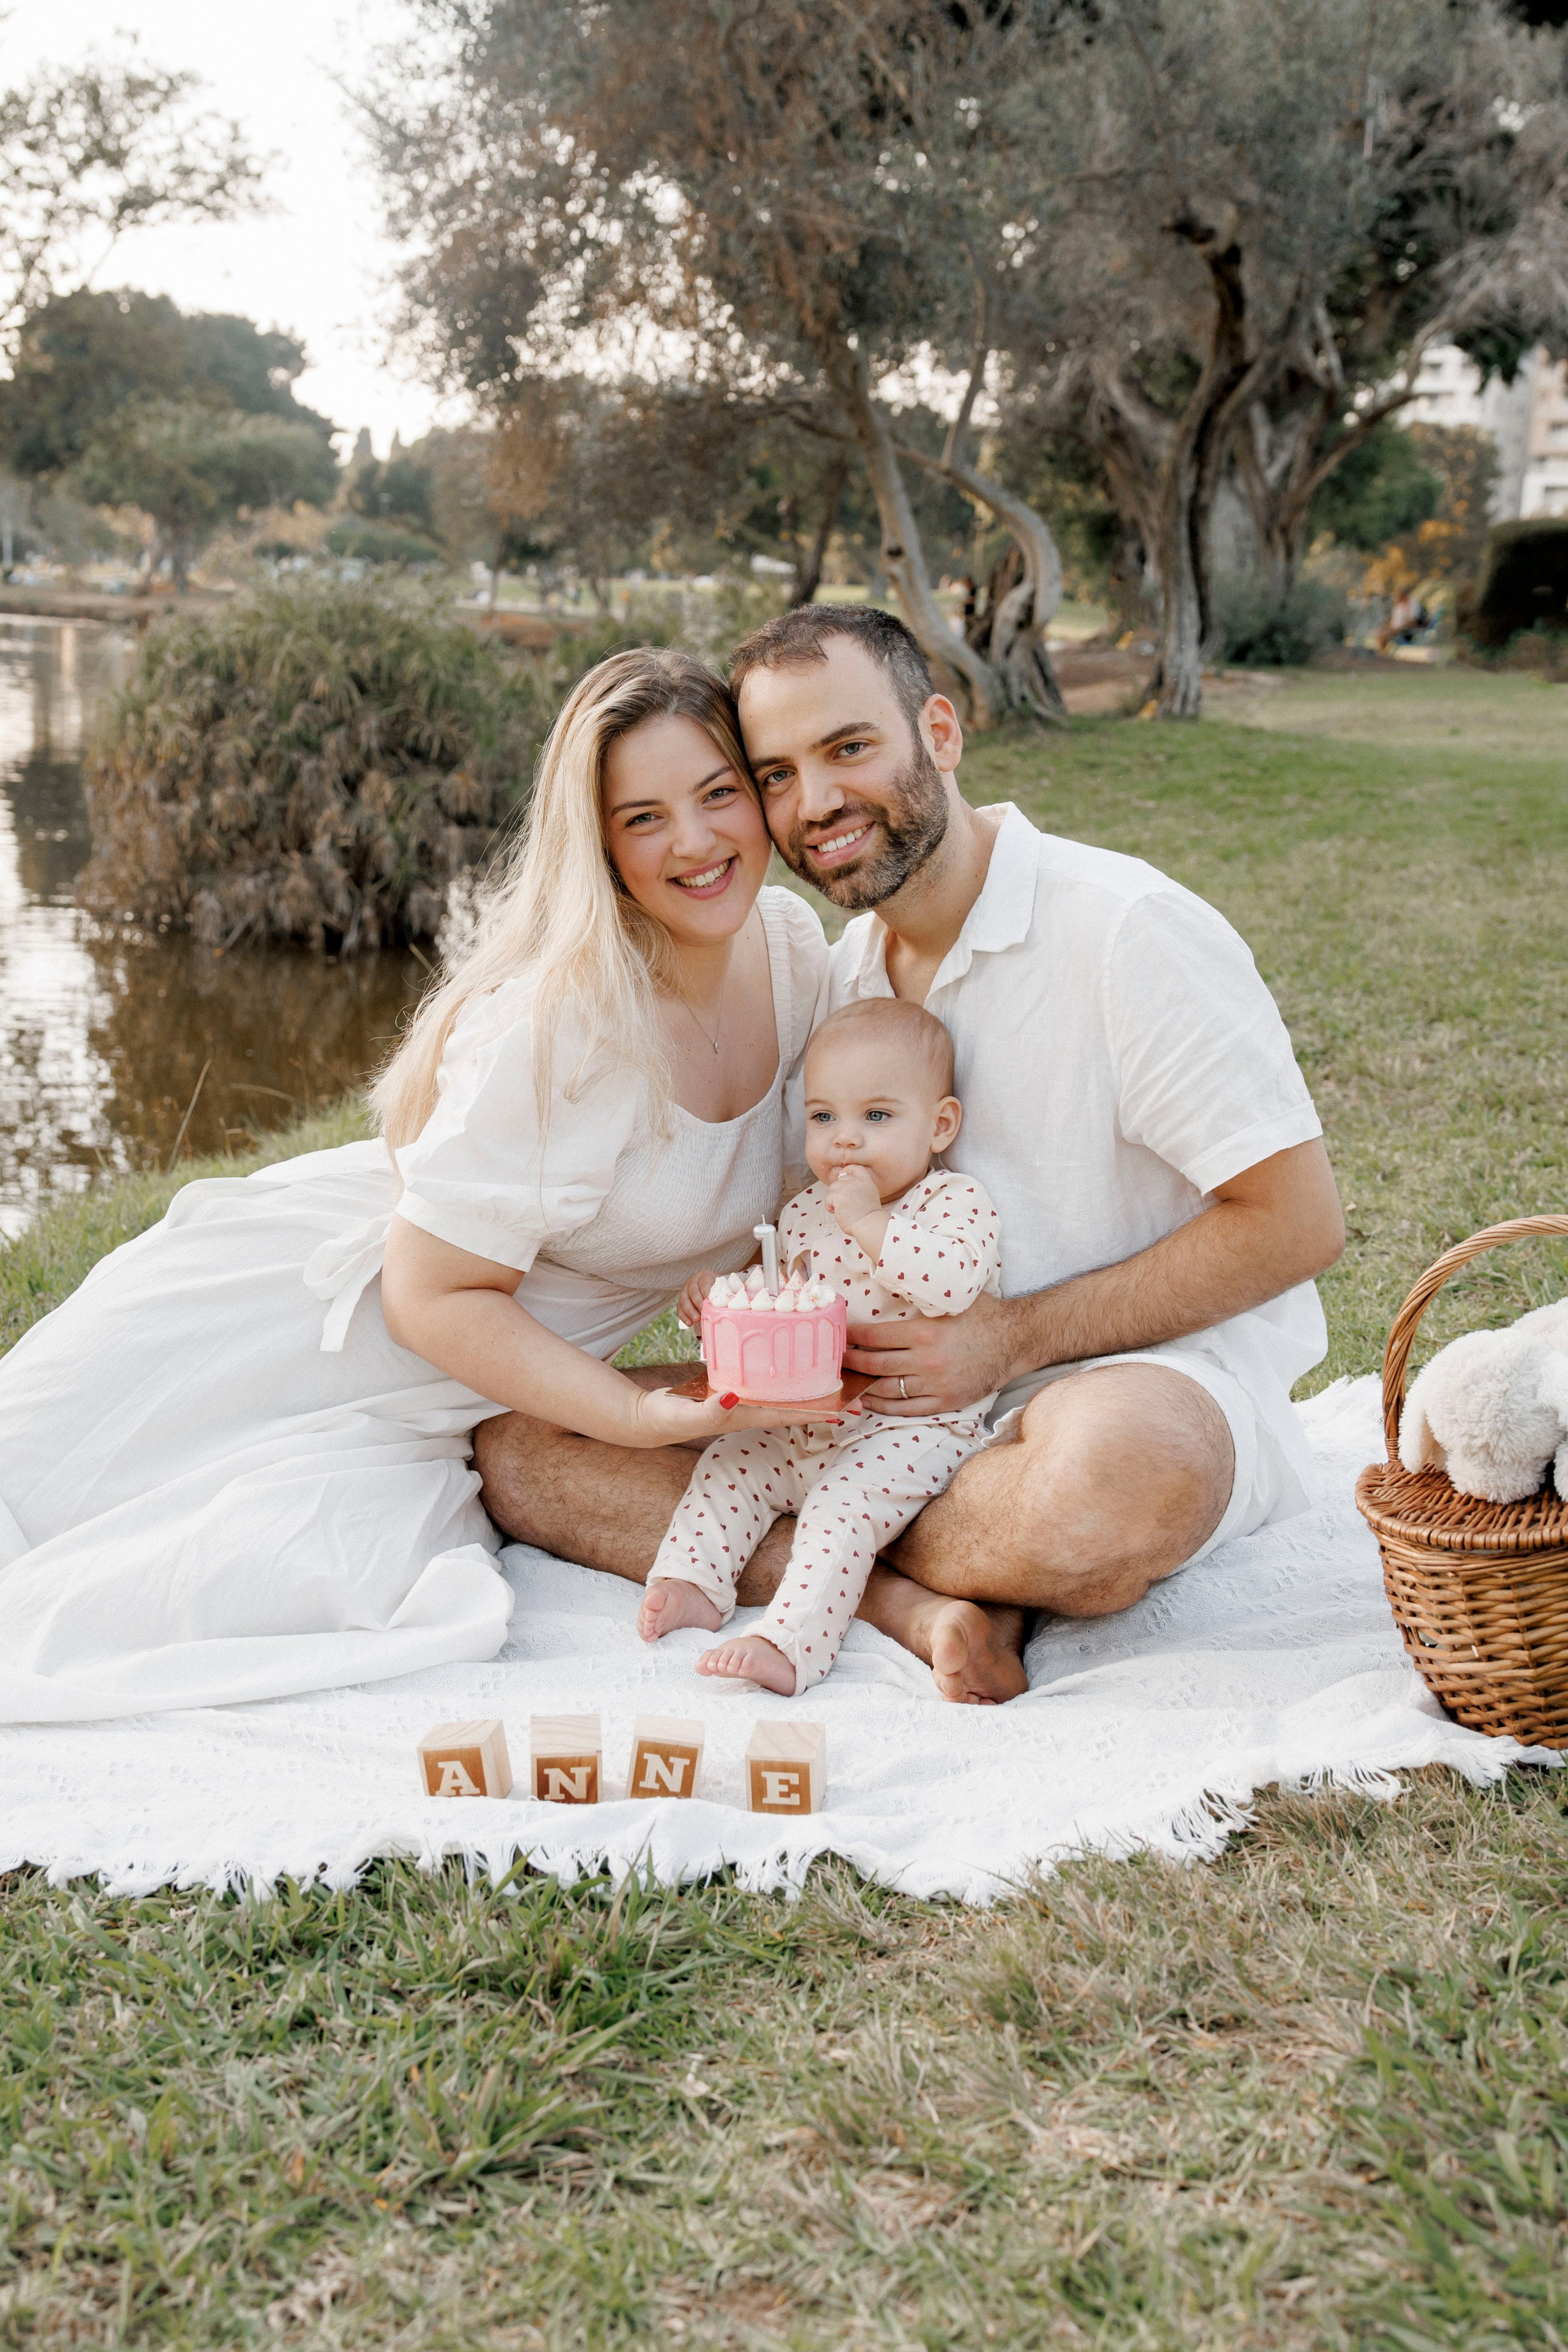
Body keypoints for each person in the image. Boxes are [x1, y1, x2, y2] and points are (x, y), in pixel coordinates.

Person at [475, 607, 1346, 1705]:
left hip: (1114, 1383)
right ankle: (921, 1602)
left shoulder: (1125, 930)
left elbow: (1298, 1220)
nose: (817, 804)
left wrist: (1009, 1340)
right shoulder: (844, 980)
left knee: (1112, 1488)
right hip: (870, 1413)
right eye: (777, 774)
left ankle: (886, 1553)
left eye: (848, 749)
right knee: (524, 1451)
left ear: (940, 730)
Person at [0, 649, 830, 1721]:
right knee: (85, 1524)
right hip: (332, 1331)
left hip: (482, 1372)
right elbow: (431, 1293)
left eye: (719, 793)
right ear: (601, 845)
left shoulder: (797, 950)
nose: (697, 841)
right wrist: (629, 1413)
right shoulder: (568, 1026)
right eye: (644, 817)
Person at [638, 995, 1002, 1694]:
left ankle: (793, 1641)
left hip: (908, 1430)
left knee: (841, 1508)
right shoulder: (805, 1210)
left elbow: (951, 1286)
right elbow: (778, 1292)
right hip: (804, 1421)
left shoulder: (954, 1204)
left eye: (876, 1117)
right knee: (729, 1460)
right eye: (823, 1116)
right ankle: (694, 1581)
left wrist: (868, 1221)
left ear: (939, 1126)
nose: (844, 1139)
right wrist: (716, 1300)